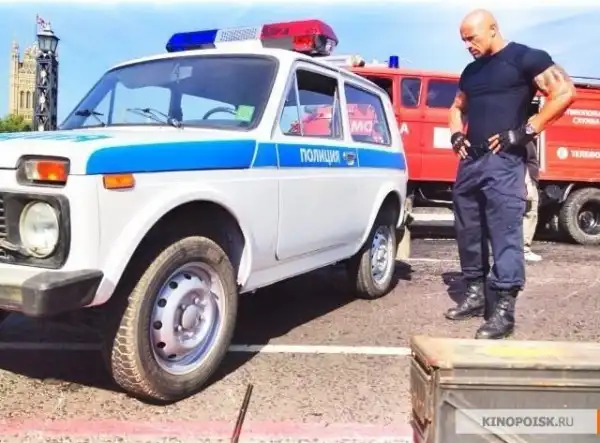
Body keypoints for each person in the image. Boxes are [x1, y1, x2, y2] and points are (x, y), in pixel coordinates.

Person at [444, 9, 576, 339]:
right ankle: (475, 295)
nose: (468, 45)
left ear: (492, 29)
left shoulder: (525, 58)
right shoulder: (471, 71)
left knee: (505, 234)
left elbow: (564, 93)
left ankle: (504, 312)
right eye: (463, 40)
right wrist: (456, 134)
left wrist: (525, 131)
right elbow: (456, 108)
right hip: (470, 162)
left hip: (503, 161)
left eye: (472, 38)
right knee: (468, 231)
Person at [524, 142, 542, 262]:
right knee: (529, 214)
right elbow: (522, 163)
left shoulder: (526, 141)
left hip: (527, 182)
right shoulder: (525, 141)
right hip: (527, 183)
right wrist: (528, 184)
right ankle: (524, 250)